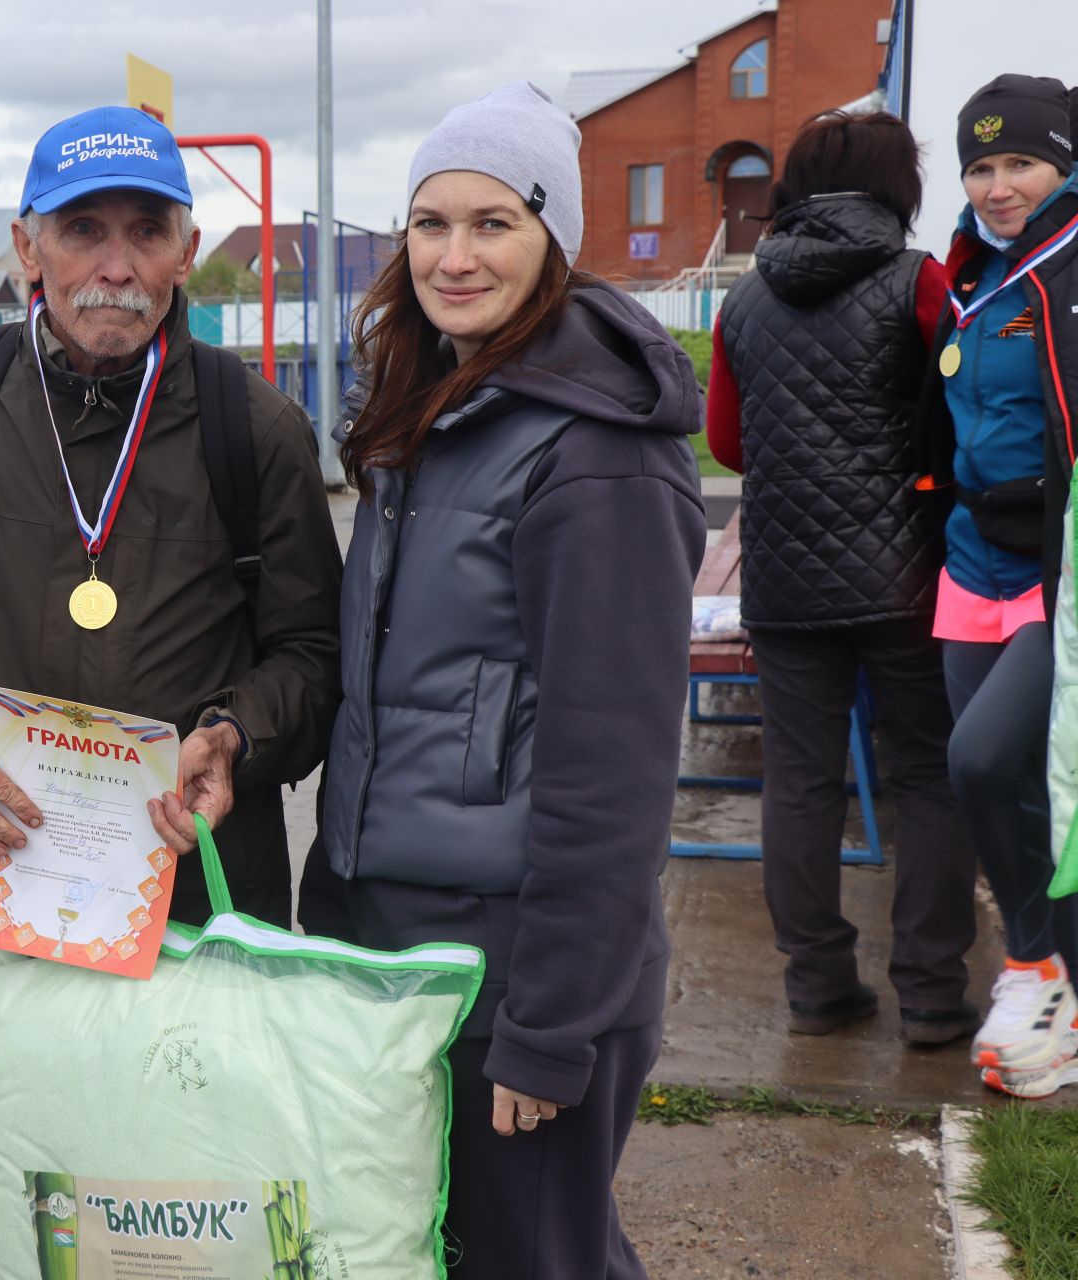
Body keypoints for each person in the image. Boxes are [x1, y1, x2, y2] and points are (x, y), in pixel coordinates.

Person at [299, 83, 705, 1278]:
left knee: (537, 1258)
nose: (455, 255)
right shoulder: (432, 415)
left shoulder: (598, 459)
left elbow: (614, 768)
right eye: (431, 223)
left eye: (494, 222)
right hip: (398, 944)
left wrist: (551, 1024)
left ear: (555, 243)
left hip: (516, 967)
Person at [0, 106, 342, 949]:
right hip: (7, 874)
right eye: (82, 229)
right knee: (23, 1090)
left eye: (147, 232)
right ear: (27, 246)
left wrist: (234, 738)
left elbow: (312, 653)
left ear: (186, 252)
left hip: (199, 894)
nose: (115, 268)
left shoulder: (255, 426)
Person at [706, 111, 979, 1046]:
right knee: (932, 776)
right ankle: (934, 992)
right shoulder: (919, 280)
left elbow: (728, 445)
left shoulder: (742, 302)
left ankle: (818, 982)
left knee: (800, 782)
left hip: (784, 583)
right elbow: (967, 406)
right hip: (908, 575)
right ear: (897, 186)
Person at [915, 74, 1078, 1099]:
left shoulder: (1067, 267)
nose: (998, 183)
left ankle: (1036, 966)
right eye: (980, 165)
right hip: (972, 559)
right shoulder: (973, 274)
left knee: (982, 761)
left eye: (1019, 160)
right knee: (1000, 787)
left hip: (1059, 569)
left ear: (1061, 162)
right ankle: (1045, 972)